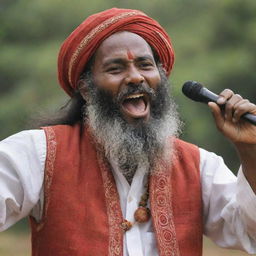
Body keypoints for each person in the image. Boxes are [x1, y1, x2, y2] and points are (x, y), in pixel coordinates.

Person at [0, 7, 256, 256]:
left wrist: (250, 150)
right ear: (87, 89)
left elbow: (249, 232)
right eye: (116, 68)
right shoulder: (40, 154)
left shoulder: (198, 166)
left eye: (145, 65)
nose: (135, 77)